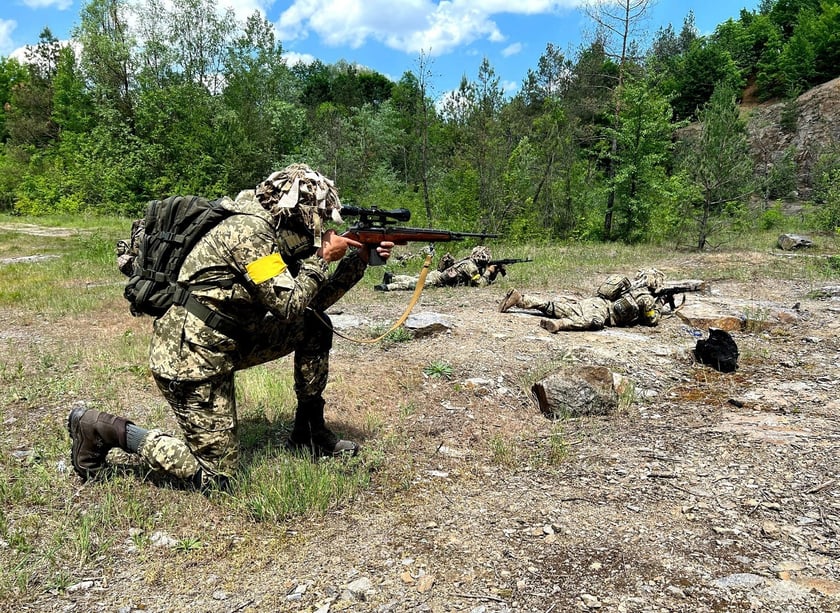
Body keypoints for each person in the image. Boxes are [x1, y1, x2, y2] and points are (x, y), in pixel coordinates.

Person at [68, 164, 394, 490]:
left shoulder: (270, 230)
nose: (320, 226)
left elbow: (309, 304)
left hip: (227, 340)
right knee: (218, 478)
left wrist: (358, 261)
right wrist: (321, 259)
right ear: (300, 211)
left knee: (313, 325)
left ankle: (309, 432)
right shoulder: (250, 233)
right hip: (191, 357)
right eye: (318, 217)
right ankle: (103, 429)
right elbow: (287, 305)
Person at [498, 268, 665, 333]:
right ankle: (560, 324)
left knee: (556, 307)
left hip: (592, 302)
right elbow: (651, 320)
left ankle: (521, 299)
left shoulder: (630, 287)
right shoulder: (646, 298)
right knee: (594, 322)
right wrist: (660, 304)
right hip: (602, 311)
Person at [374, 246, 502, 291]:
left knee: (416, 278)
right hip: (438, 280)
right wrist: (489, 272)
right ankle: (387, 287)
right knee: (416, 284)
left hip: (437, 274)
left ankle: (392, 277)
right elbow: (479, 284)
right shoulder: (471, 267)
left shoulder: (469, 261)